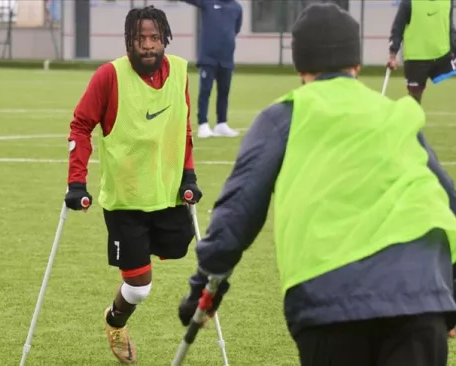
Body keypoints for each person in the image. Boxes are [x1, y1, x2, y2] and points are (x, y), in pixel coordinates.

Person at [177, 3, 456, 366]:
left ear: (300, 67)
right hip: (422, 299)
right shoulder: (394, 112)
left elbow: (238, 210)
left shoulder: (284, 115)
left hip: (330, 300)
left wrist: (204, 284)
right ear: (355, 65)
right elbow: (448, 200)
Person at [64, 5, 203, 364]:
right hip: (126, 200)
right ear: (129, 40)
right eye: (139, 38)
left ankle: (145, 251)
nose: (147, 46)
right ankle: (114, 321)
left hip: (168, 194)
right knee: (139, 287)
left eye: (154, 38)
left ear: (165, 39)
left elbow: (183, 127)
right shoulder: (109, 76)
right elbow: (81, 125)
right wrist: (76, 183)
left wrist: (188, 175)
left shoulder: (180, 73)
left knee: (178, 248)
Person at [179, 0, 243, 138]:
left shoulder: (237, 8)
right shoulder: (208, 2)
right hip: (208, 58)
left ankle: (221, 124)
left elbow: (235, 30)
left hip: (226, 58)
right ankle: (203, 124)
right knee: (205, 91)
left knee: (224, 92)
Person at [387, 0, 456, 104]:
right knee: (414, 101)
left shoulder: (448, 1)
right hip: (416, 59)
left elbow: (450, 28)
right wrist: (392, 55)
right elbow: (397, 29)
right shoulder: (408, 2)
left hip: (443, 56)